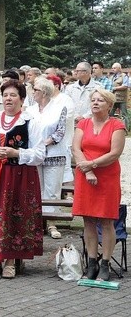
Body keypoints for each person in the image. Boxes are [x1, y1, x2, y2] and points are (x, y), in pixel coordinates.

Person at [0, 80, 45, 279]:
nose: (8, 99)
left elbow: (40, 153)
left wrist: (16, 152)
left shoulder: (30, 121)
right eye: (5, 95)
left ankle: (11, 261)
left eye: (13, 95)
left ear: (22, 100)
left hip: (20, 177)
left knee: (14, 215)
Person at [72, 88, 126, 281]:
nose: (95, 103)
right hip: (85, 175)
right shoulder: (83, 124)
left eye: (100, 100)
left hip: (107, 177)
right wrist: (88, 170)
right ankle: (92, 263)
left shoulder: (117, 125)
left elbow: (114, 153)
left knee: (106, 220)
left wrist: (93, 164)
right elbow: (76, 149)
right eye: (93, 100)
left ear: (109, 105)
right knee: (88, 220)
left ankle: (105, 263)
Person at [27, 77, 68, 239]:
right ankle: (37, 222)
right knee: (36, 189)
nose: (32, 92)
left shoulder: (59, 108)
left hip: (53, 154)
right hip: (35, 155)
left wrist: (43, 143)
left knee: (52, 191)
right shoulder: (30, 110)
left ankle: (51, 223)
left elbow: (60, 131)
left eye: (35, 89)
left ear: (43, 92)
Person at [109, 62, 129, 130]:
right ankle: (111, 128)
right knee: (110, 114)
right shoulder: (111, 77)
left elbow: (125, 86)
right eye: (112, 68)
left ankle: (125, 129)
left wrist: (115, 88)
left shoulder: (124, 76)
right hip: (113, 98)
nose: (113, 69)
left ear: (119, 68)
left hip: (121, 99)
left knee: (124, 115)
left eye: (114, 68)